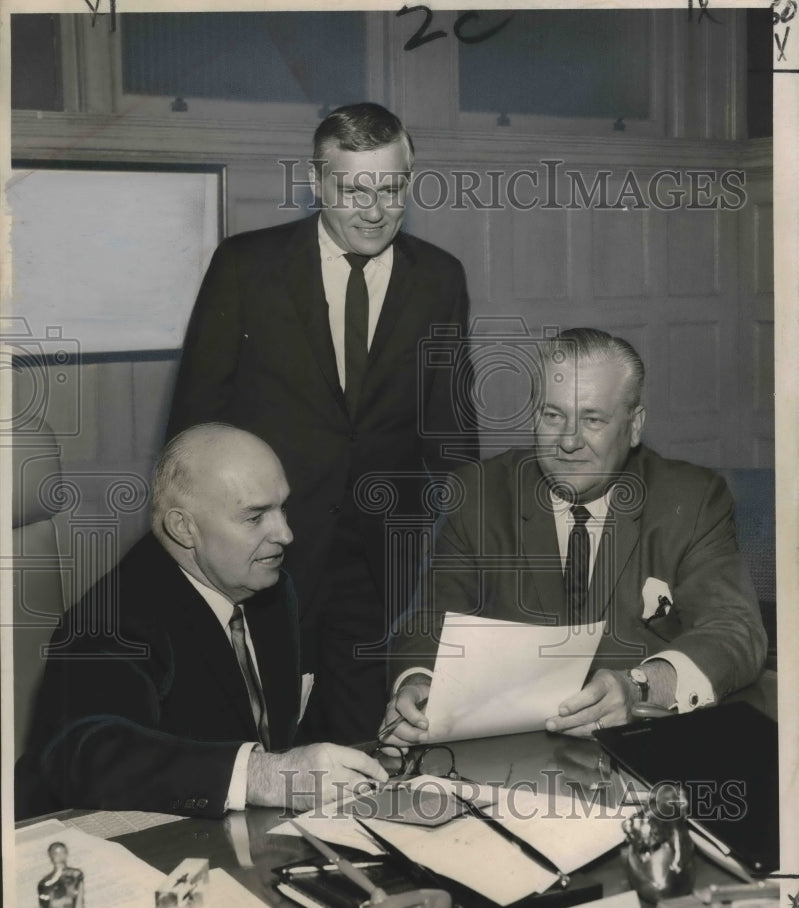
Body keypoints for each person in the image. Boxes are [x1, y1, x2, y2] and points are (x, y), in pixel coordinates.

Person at [166, 103, 476, 745]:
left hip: (388, 558)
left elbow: (453, 432)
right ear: (316, 182)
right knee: (266, 739)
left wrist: (469, 548)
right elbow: (193, 427)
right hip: (268, 553)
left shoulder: (441, 278)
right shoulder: (246, 266)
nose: (374, 208)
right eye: (352, 188)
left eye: (391, 188)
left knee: (374, 740)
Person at [381, 328, 766, 743]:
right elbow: (428, 622)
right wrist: (419, 683)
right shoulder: (476, 495)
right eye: (553, 415)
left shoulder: (691, 499)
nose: (568, 441)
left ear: (634, 425)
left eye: (592, 419)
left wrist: (639, 686)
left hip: (644, 745)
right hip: (509, 751)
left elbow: (734, 631)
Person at [16, 424, 387, 820]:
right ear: (183, 528)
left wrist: (373, 748)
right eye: (255, 517)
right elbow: (85, 754)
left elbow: (280, 734)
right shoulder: (112, 618)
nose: (286, 534)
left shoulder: (270, 590)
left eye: (283, 508)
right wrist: (267, 775)